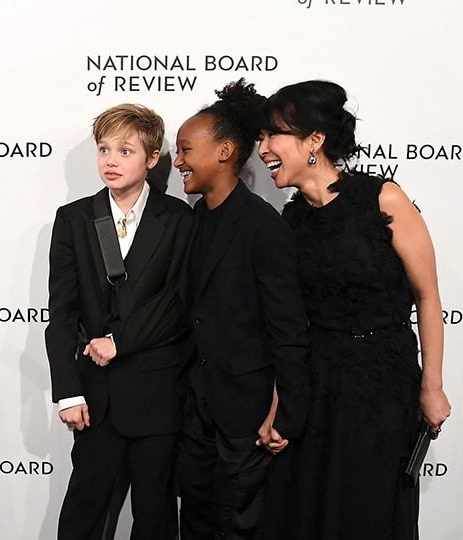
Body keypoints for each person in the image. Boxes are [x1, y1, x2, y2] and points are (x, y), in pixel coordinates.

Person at [255, 80, 452, 539]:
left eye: (273, 136)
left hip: (382, 386)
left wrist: (433, 386)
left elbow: (428, 297)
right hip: (318, 384)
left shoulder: (382, 199)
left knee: (369, 510)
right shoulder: (292, 220)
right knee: (309, 511)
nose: (262, 149)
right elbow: (291, 326)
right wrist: (280, 404)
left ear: (314, 141)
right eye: (260, 138)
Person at [46, 104, 193, 539]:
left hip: (158, 395)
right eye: (104, 149)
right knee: (83, 516)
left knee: (155, 517)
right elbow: (62, 313)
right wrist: (67, 391)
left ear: (151, 159)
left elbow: (178, 305)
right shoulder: (73, 218)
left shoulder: (179, 219)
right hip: (96, 397)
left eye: (125, 150)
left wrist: (118, 340)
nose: (111, 160)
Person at [172, 79, 310, 539]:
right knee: (193, 522)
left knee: (238, 528)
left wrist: (283, 409)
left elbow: (288, 328)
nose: (178, 162)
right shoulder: (194, 219)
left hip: (246, 416)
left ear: (226, 150)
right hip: (198, 411)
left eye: (187, 149)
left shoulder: (261, 227)